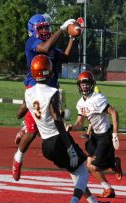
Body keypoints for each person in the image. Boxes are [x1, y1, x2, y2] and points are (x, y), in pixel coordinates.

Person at [17, 55, 110, 203]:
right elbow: (57, 119)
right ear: (49, 71)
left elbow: (19, 114)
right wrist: (69, 147)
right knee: (82, 170)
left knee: (75, 171)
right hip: (58, 140)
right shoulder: (52, 91)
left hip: (45, 144)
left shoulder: (29, 92)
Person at [12, 13, 76, 181]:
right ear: (32, 30)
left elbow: (66, 57)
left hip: (51, 89)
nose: (45, 31)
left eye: (46, 27)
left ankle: (25, 125)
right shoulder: (33, 42)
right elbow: (46, 48)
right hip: (35, 86)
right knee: (35, 131)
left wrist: (72, 38)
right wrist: (62, 29)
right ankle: (18, 159)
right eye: (41, 28)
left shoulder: (51, 46)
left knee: (48, 127)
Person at [66, 71, 123, 198]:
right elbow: (80, 123)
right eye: (82, 84)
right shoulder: (80, 102)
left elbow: (114, 113)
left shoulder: (98, 98)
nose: (84, 86)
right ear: (79, 86)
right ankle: (109, 183)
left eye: (87, 83)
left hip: (105, 135)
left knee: (93, 166)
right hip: (95, 136)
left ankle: (110, 177)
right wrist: (71, 127)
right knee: (89, 165)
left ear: (92, 84)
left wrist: (115, 134)